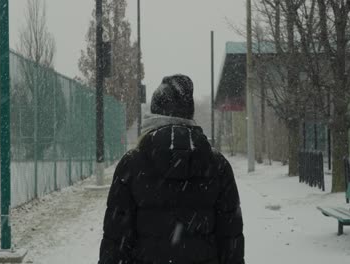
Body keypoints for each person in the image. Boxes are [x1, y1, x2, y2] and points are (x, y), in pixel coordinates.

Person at [98, 74, 244, 264]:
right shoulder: (218, 166)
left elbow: (116, 241)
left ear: (154, 114)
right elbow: (230, 241)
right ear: (189, 114)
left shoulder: (131, 165)